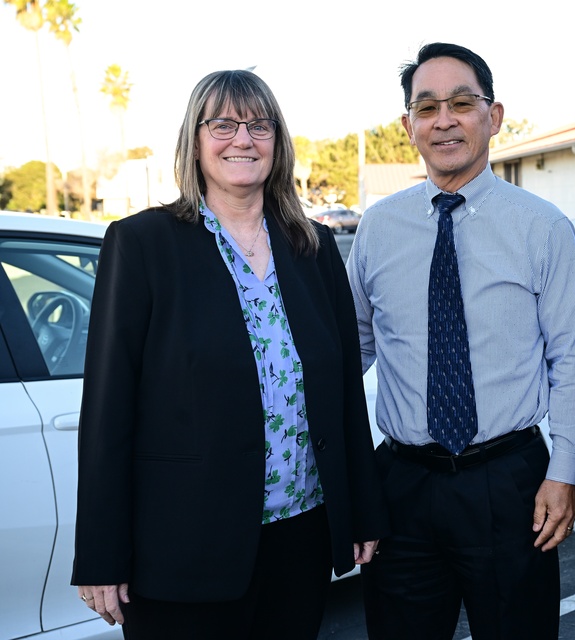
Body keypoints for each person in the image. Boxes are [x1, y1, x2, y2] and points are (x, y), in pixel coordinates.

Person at [71, 69, 390, 639]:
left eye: (258, 125)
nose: (242, 139)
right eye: (222, 124)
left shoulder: (313, 248)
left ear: (277, 142)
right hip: (183, 547)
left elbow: (343, 392)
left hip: (301, 537)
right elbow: (107, 410)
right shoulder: (143, 244)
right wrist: (100, 552)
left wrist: (362, 511)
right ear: (194, 141)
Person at [347, 42, 575, 639]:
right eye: (426, 107)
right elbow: (351, 348)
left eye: (462, 102)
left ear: (495, 115)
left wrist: (564, 472)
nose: (444, 120)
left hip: (508, 481)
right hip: (403, 484)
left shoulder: (541, 227)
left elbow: (573, 360)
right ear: (408, 126)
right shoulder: (379, 228)